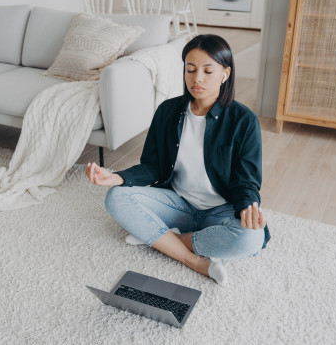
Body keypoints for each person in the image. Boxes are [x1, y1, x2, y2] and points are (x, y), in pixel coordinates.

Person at [85, 34, 270, 285]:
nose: (198, 79)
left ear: (225, 74)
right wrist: (118, 176)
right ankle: (191, 259)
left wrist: (249, 206)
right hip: (178, 204)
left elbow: (246, 181)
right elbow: (153, 166)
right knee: (116, 196)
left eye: (208, 70)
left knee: (251, 239)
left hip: (220, 209)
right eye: (190, 69)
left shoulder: (244, 121)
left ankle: (161, 238)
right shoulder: (168, 111)